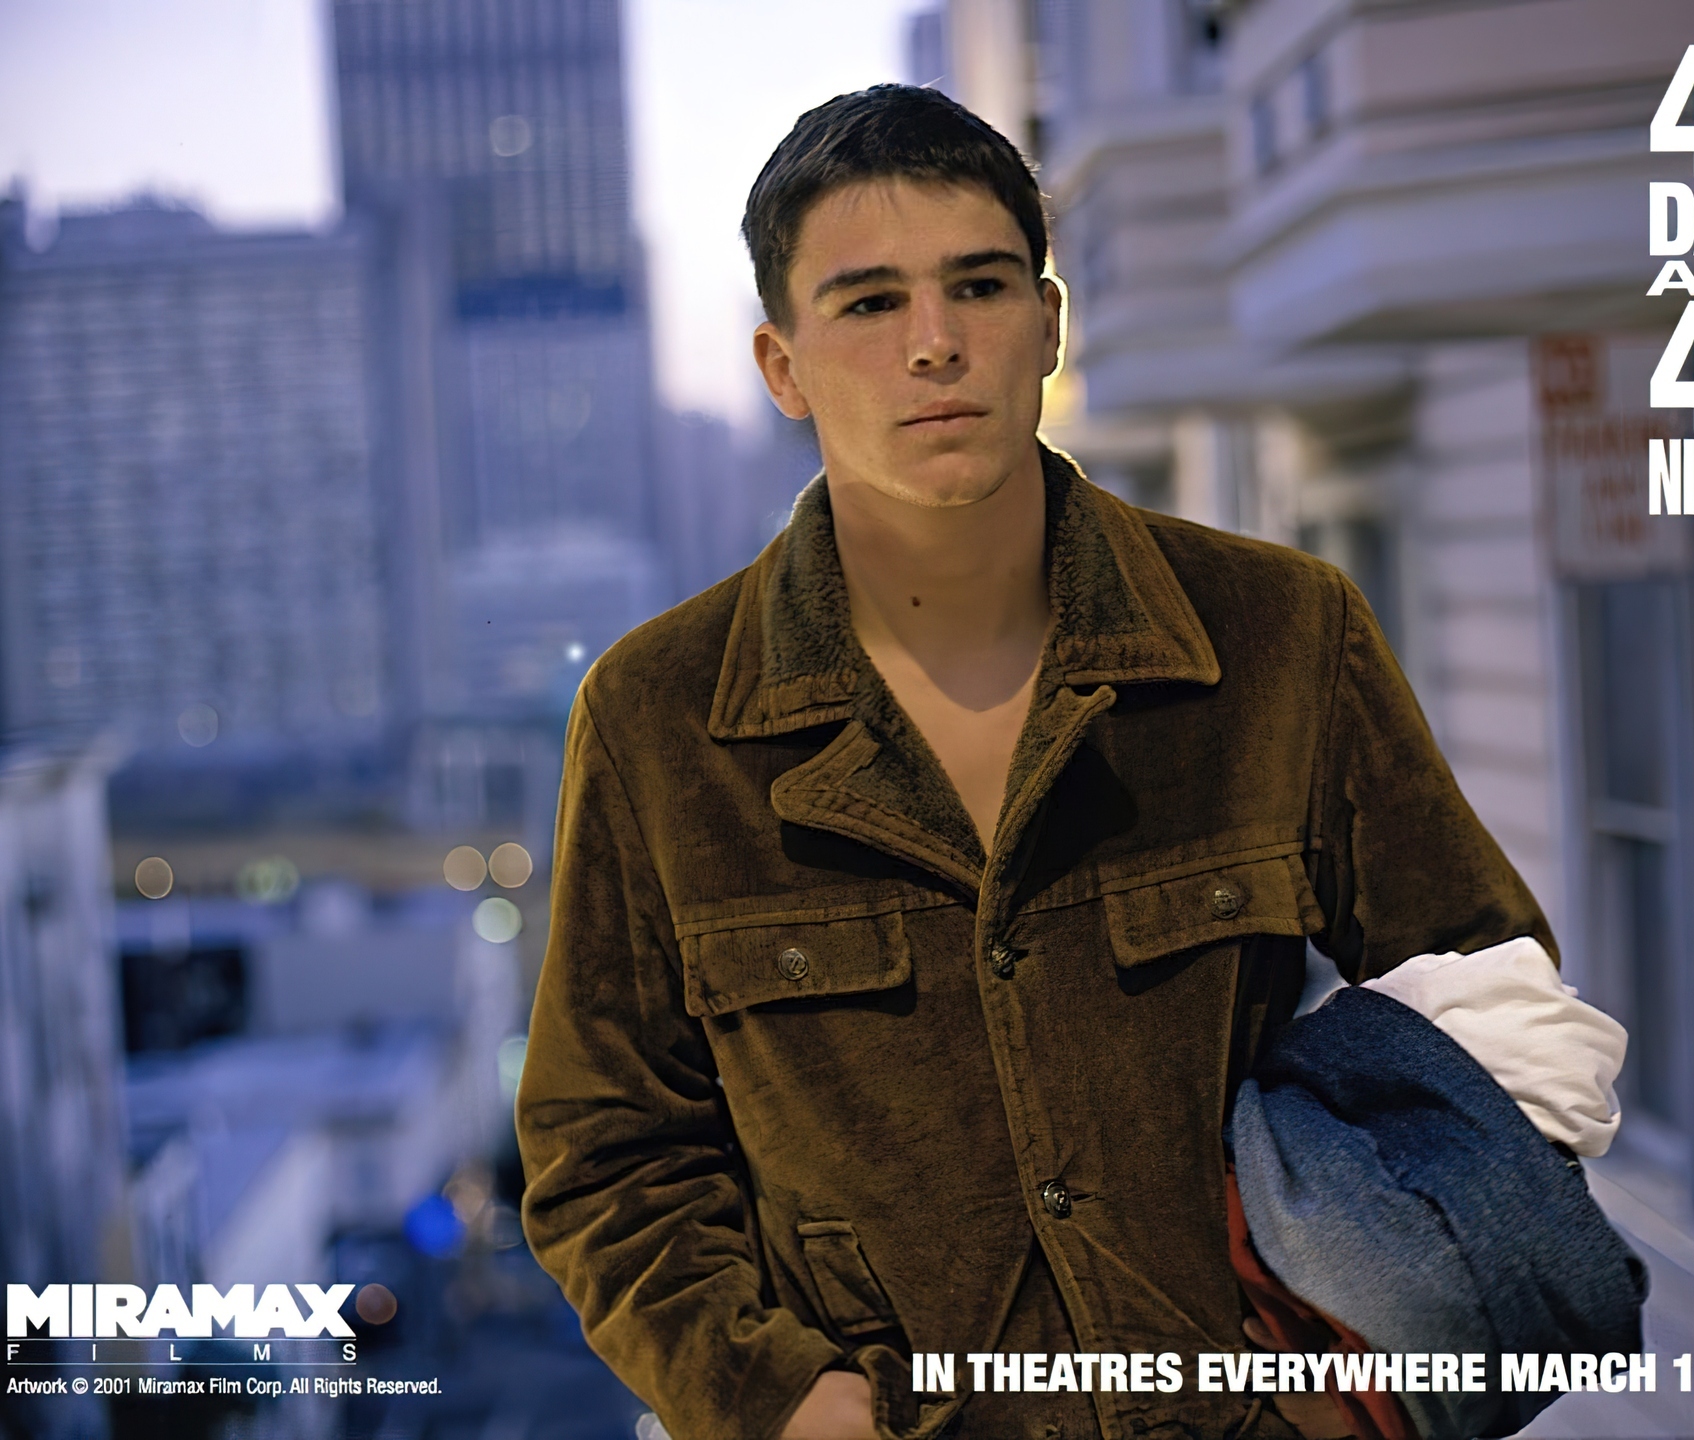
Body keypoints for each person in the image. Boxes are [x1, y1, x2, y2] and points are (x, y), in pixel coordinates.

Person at [514, 84, 1554, 1440]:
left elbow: (1489, 1011)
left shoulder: (1280, 632)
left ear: (1048, 322)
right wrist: (785, 1402)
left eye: (981, 286)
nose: (934, 343)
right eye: (869, 303)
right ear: (783, 367)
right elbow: (604, 1155)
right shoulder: (659, 718)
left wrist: (1361, 1396)